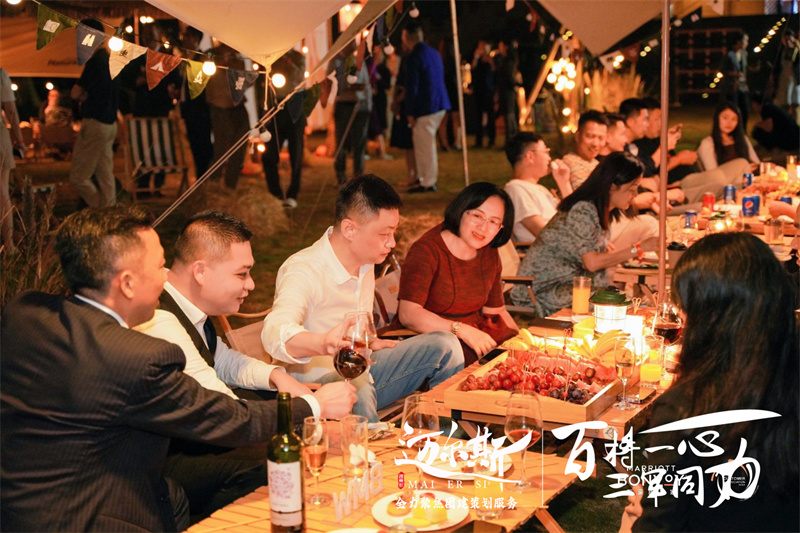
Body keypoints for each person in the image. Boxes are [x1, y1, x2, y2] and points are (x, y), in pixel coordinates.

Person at [0, 206, 321, 531]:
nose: (166, 276)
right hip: (91, 516)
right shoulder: (135, 357)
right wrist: (312, 406)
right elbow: (228, 420)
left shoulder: (25, 313)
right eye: (158, 266)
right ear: (127, 284)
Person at [135, 210, 356, 521]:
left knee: (278, 403)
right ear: (200, 271)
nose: (251, 285)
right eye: (242, 274)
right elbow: (225, 410)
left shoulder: (187, 305)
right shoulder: (161, 320)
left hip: (193, 433)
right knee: (274, 454)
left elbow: (224, 360)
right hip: (159, 463)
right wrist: (314, 411)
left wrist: (278, 376)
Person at [620, 233, 799, 532]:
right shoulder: (786, 377)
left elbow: (660, 525)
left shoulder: (687, 406)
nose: (681, 316)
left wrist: (646, 509)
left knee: (630, 515)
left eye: (685, 306)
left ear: (708, 315)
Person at [262, 174, 463, 422]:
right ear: (349, 229)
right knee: (355, 380)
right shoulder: (303, 270)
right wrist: (324, 342)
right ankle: (368, 443)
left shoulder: (366, 264)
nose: (392, 243)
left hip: (363, 371)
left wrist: (369, 342)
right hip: (316, 392)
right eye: (384, 234)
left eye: (394, 232)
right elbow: (275, 332)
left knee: (445, 344)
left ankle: (446, 436)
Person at [511, 152, 658, 317]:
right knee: (622, 307)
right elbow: (592, 263)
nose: (635, 195)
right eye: (632, 188)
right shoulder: (582, 210)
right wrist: (638, 248)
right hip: (544, 290)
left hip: (572, 285)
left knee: (628, 304)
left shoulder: (602, 211)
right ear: (612, 186)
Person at [396, 183, 518, 366]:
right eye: (477, 215)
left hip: (475, 337)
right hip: (435, 345)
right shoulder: (427, 251)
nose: (483, 227)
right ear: (461, 210)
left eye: (493, 221)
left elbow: (496, 311)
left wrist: (520, 341)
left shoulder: (488, 251)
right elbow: (409, 314)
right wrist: (461, 330)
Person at [69, 18, 120, 207]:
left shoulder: (95, 62)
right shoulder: (112, 60)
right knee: (105, 174)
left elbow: (75, 93)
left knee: (78, 177)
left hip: (95, 124)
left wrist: (83, 96)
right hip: (110, 124)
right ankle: (110, 213)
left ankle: (98, 209)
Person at [402, 20, 451, 193]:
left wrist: (409, 111)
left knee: (425, 145)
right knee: (423, 143)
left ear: (406, 38)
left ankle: (428, 181)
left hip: (427, 106)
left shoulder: (414, 57)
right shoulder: (433, 53)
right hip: (439, 102)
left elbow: (413, 87)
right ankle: (424, 178)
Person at [504, 132, 572, 243]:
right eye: (545, 152)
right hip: (553, 250)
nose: (549, 158)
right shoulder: (516, 189)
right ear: (530, 156)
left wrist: (564, 183)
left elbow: (576, 216)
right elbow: (544, 234)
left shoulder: (541, 189)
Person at [261, 49, 307, 208]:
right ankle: (276, 194)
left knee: (296, 154)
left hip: (295, 106)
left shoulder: (298, 57)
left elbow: (300, 79)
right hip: (276, 108)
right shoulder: (271, 58)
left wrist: (289, 64)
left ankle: (293, 193)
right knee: (269, 154)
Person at [205, 43, 250, 190]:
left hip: (237, 106)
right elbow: (203, 77)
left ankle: (231, 185)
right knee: (221, 148)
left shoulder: (238, 58)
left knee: (239, 148)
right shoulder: (210, 55)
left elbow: (241, 84)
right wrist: (220, 62)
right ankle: (214, 184)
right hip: (219, 107)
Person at [330, 41, 372, 186]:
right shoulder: (336, 61)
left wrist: (367, 104)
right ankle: (340, 176)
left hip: (360, 105)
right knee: (341, 141)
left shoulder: (359, 60)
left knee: (359, 143)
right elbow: (333, 82)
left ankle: (358, 177)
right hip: (344, 104)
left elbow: (366, 82)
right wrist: (349, 86)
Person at [177, 27, 213, 180]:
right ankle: (200, 177)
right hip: (188, 109)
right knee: (194, 144)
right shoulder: (184, 59)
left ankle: (205, 177)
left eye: (188, 36)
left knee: (203, 144)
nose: (184, 39)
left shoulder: (202, 59)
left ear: (196, 39)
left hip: (200, 110)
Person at [1, 67, 24, 252]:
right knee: (2, 189)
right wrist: (20, 140)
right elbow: (11, 110)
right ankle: (8, 244)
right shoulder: (1, 74)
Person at [697, 103, 759, 171]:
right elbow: (713, 173)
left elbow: (756, 162)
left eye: (734, 119)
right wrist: (741, 170)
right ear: (717, 118)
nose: (729, 123)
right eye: (725, 118)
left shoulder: (742, 139)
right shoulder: (708, 143)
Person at [562, 109, 608, 189]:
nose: (595, 143)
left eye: (601, 138)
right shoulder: (569, 163)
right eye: (590, 136)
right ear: (577, 136)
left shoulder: (596, 164)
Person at [719, 31, 752, 128]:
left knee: (745, 110)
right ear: (738, 42)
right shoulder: (729, 54)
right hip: (731, 87)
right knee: (734, 110)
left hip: (742, 86)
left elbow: (744, 69)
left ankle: (743, 130)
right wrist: (735, 74)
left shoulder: (744, 53)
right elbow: (722, 70)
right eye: (745, 41)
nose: (746, 43)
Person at [471, 40, 496, 149]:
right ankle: (479, 140)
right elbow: (473, 69)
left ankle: (491, 140)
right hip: (478, 91)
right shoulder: (477, 61)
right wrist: (476, 57)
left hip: (488, 91)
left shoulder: (490, 59)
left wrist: (488, 58)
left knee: (490, 116)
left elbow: (494, 71)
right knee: (478, 117)